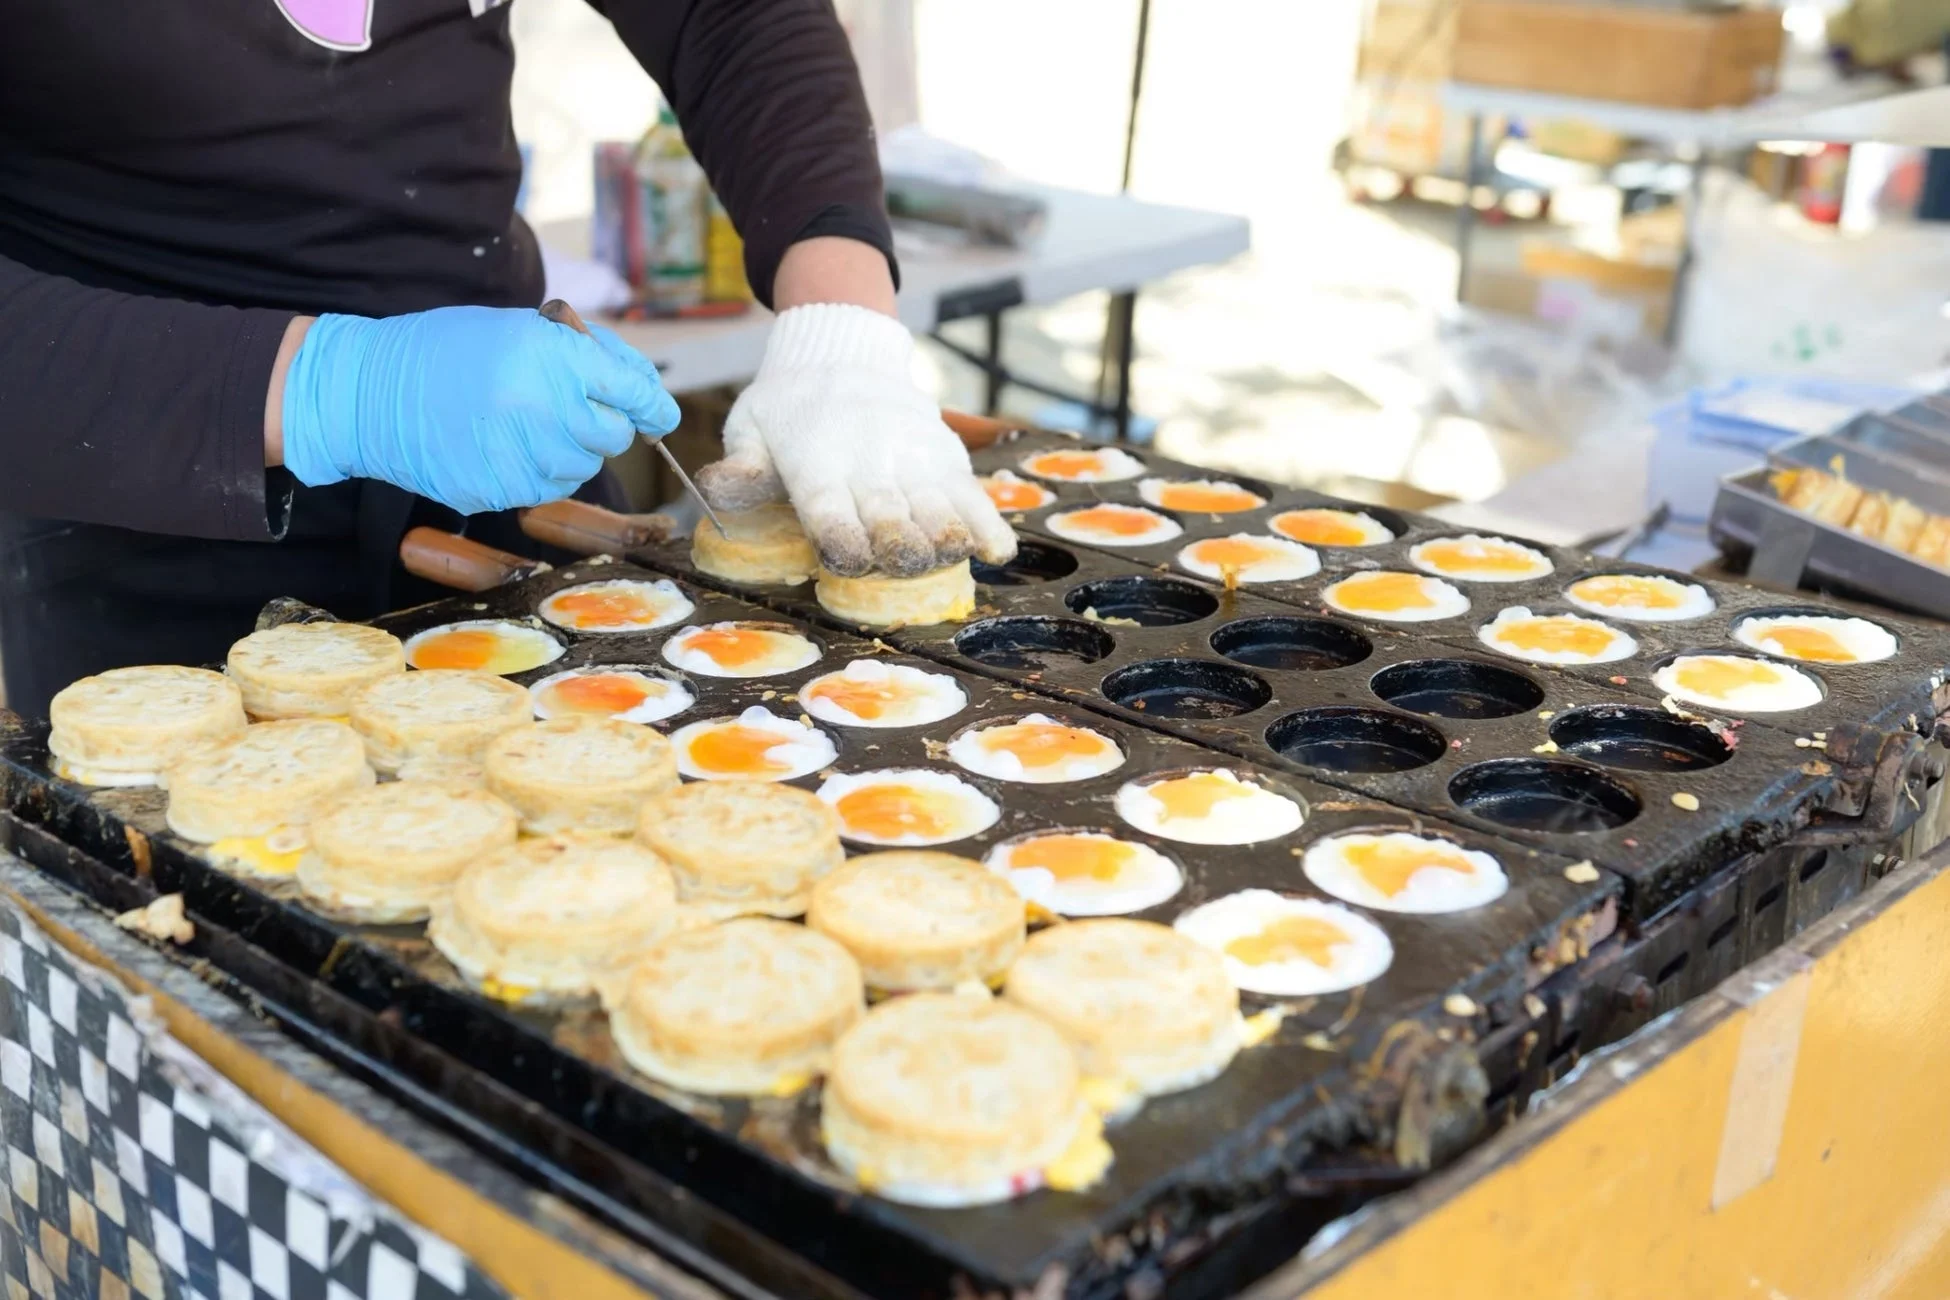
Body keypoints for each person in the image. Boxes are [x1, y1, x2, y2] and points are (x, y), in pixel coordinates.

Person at [0, 0, 1015, 716]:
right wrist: (335, 390)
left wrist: (841, 328)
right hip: (152, 515)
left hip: (520, 465)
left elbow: (730, 12)